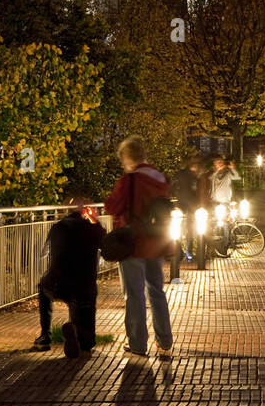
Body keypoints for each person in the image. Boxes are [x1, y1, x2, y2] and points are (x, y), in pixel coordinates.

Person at [105, 136, 174, 360]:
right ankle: (164, 342)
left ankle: (137, 343)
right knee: (157, 292)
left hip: (133, 243)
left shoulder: (130, 179)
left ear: (127, 157)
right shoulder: (159, 178)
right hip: (157, 242)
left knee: (134, 295)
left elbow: (112, 205)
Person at [32, 197, 103, 357]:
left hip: (58, 285)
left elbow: (44, 253)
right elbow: (105, 244)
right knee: (86, 302)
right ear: (85, 213)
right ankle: (84, 341)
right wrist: (95, 221)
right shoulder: (93, 230)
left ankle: (45, 336)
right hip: (86, 288)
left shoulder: (57, 228)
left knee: (43, 288)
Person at [168, 153, 204, 279]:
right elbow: (192, 191)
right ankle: (186, 253)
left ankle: (181, 252)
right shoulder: (191, 176)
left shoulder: (182, 174)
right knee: (188, 230)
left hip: (183, 204)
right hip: (187, 205)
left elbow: (174, 187)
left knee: (185, 230)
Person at [208, 154, 238, 255]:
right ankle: (213, 247)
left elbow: (236, 177)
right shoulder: (214, 174)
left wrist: (232, 168)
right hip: (215, 202)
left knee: (225, 224)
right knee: (213, 223)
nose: (219, 165)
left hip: (225, 202)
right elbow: (210, 179)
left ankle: (224, 247)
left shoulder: (227, 173)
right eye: (217, 163)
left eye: (220, 162)